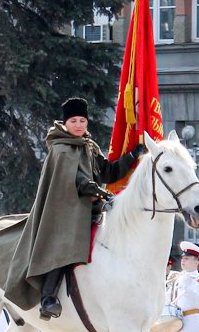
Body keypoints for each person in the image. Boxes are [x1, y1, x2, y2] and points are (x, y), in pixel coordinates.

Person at [11, 97, 144, 319]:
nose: (79, 125)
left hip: (90, 209)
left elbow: (108, 172)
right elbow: (75, 179)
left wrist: (132, 156)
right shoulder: (61, 148)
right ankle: (48, 297)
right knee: (66, 245)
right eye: (74, 120)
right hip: (65, 213)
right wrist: (98, 191)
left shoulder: (88, 146)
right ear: (65, 123)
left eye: (83, 120)